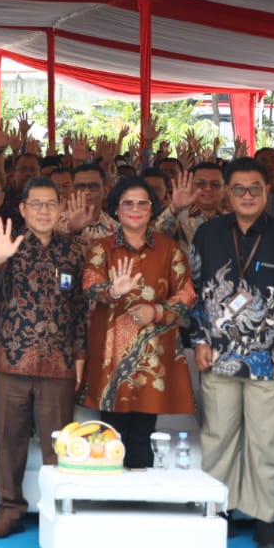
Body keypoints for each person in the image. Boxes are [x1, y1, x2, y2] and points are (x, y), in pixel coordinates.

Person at [189, 157, 274, 548]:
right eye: (238, 188)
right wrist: (198, 341)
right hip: (218, 357)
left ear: (267, 190)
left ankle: (264, 518)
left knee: (267, 441)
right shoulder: (207, 233)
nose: (246, 195)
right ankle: (219, 511)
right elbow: (192, 292)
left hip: (269, 361)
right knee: (218, 438)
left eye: (254, 188)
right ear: (227, 191)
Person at [0, 177, 88, 539]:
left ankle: (58, 510)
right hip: (13, 358)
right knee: (11, 441)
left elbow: (79, 308)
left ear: (60, 210)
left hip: (58, 362)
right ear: (23, 209)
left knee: (58, 444)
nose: (44, 211)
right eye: (36, 204)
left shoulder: (73, 252)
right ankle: (9, 510)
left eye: (50, 204)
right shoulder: (7, 245)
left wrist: (79, 353)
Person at [80, 177, 196, 467]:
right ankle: (109, 504)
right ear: (116, 210)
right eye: (127, 203)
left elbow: (187, 293)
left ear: (152, 209)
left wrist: (155, 311)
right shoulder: (100, 248)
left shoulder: (170, 248)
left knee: (144, 436)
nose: (135, 208)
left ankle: (139, 505)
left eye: (142, 203)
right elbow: (89, 285)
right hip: (111, 356)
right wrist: (111, 291)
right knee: (110, 435)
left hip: (152, 357)